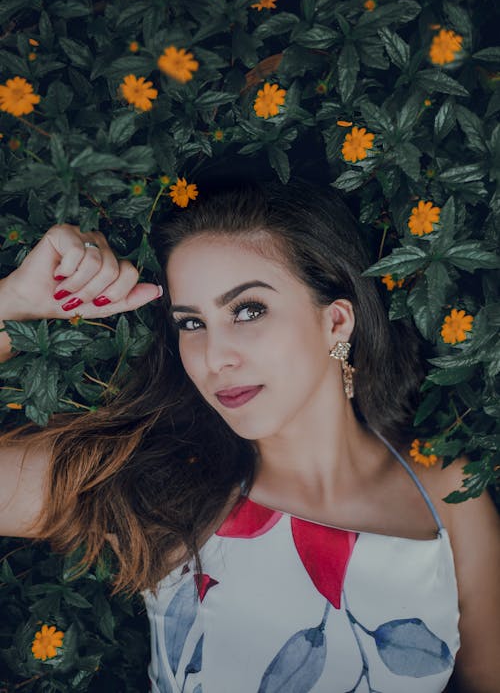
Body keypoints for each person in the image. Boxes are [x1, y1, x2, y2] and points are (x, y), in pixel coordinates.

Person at [0, 177, 498, 693]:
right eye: (192, 324)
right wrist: (11, 304)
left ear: (336, 321)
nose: (216, 358)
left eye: (248, 311)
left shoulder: (447, 492)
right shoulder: (164, 488)